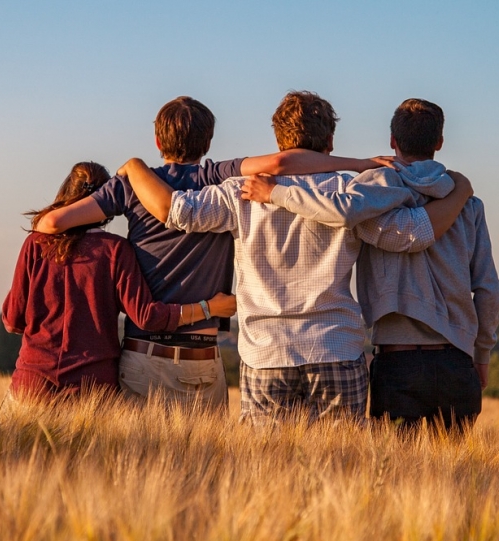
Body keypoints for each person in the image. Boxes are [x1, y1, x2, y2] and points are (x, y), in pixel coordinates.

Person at [121, 91, 473, 425]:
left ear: (278, 141)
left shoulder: (239, 191)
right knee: (342, 469)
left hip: (266, 352)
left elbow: (177, 212)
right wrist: (459, 192)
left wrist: (135, 168)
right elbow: (410, 235)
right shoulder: (350, 192)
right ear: (330, 143)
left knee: (267, 471)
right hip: (335, 347)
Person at [34, 96, 395, 409]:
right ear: (208, 142)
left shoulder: (132, 185)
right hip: (204, 357)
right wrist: (360, 164)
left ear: (158, 141)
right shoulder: (218, 177)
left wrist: (129, 171)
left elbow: (51, 225)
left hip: (145, 353)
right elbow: (283, 164)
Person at [242, 98, 499, 433]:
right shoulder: (468, 204)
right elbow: (488, 288)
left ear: (393, 141)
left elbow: (341, 211)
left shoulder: (371, 192)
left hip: (397, 361)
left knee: (393, 476)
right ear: (439, 142)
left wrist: (276, 193)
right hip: (457, 361)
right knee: (458, 479)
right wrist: (482, 354)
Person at [2, 161, 236, 400]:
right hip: (92, 389)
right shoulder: (115, 250)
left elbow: (13, 321)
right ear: (106, 201)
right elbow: (147, 316)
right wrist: (209, 308)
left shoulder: (35, 244)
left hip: (32, 384)